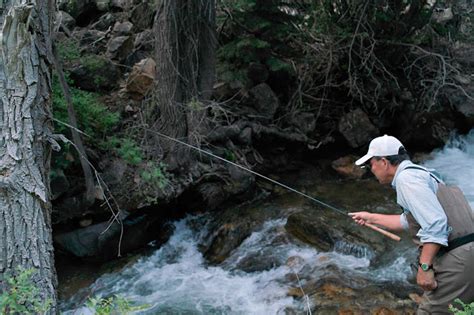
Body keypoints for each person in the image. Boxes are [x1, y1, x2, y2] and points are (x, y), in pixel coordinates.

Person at [348, 134, 474, 314]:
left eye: (371, 163)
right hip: (468, 254)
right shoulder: (423, 174)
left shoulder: (406, 180)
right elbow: (409, 221)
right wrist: (371, 217)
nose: (371, 169)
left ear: (384, 162)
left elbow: (436, 224)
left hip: (457, 260)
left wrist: (425, 267)